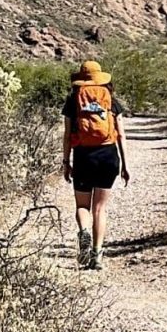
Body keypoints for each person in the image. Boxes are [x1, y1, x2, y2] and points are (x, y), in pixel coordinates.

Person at [61, 59, 130, 270]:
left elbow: (66, 135)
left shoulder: (73, 100)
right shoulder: (110, 99)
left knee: (82, 206)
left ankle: (84, 232)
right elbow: (121, 134)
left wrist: (66, 161)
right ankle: (97, 254)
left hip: (83, 155)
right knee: (100, 208)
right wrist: (125, 165)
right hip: (108, 154)